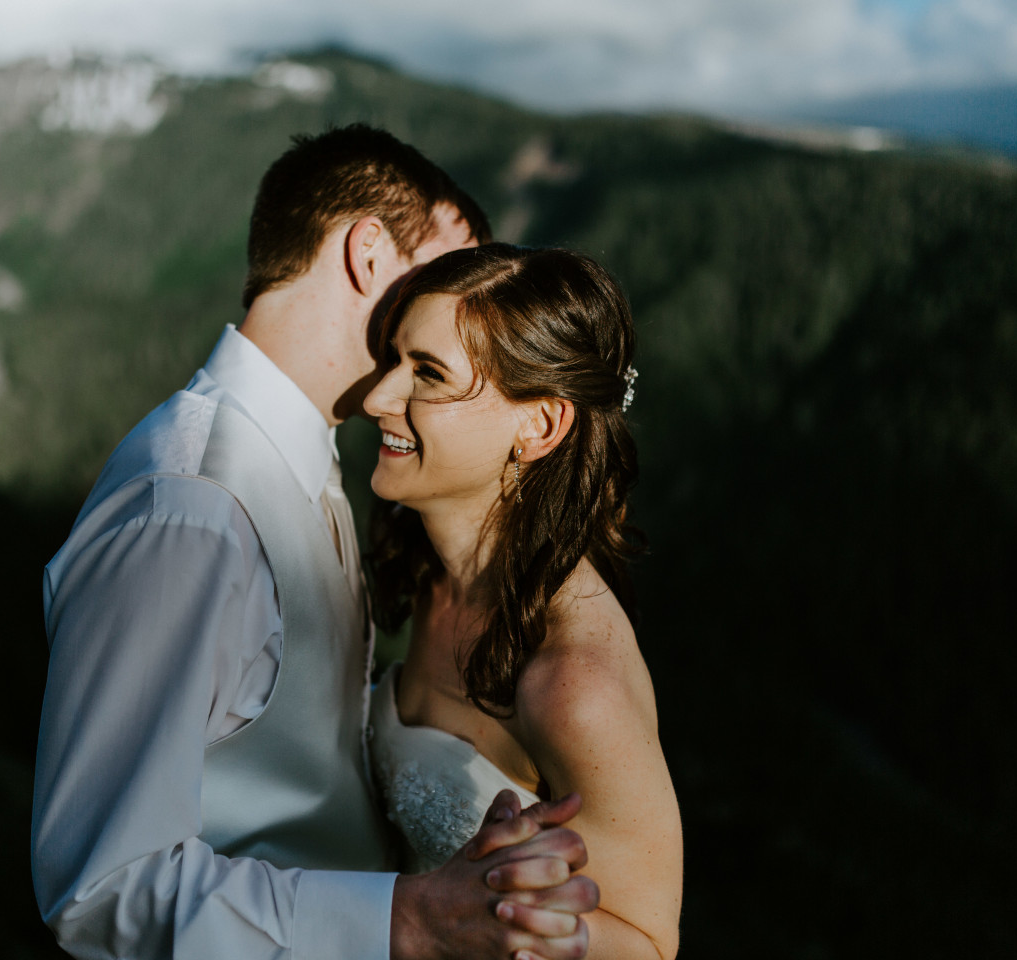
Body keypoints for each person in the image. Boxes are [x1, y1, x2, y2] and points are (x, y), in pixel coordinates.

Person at [33, 126, 600, 960]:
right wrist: (408, 919)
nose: (467, 326)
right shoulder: (190, 510)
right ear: (370, 253)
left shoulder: (310, 463)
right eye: (449, 276)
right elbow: (101, 887)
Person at [363, 244, 684, 958]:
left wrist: (507, 911)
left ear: (537, 426)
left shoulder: (576, 684)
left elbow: (649, 944)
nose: (377, 398)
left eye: (428, 375)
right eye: (394, 360)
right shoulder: (431, 571)